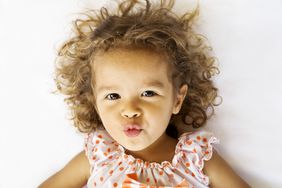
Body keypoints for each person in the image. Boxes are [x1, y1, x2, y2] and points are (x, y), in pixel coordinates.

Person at [39, 0, 250, 187]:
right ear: (95, 103)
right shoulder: (99, 156)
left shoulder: (196, 157)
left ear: (177, 99)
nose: (130, 110)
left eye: (148, 93)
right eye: (113, 96)